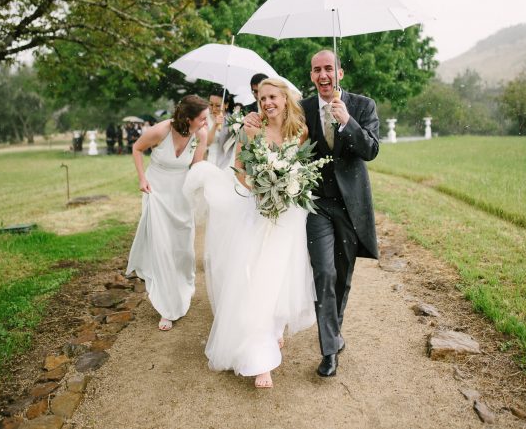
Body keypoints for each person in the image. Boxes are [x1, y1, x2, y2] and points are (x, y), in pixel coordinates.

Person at [244, 50, 380, 377]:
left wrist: (347, 121)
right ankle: (329, 350)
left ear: (340, 73)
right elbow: (270, 115)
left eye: (328, 69)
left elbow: (371, 150)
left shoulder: (363, 106)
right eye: (317, 70)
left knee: (343, 275)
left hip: (351, 206)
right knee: (324, 272)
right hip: (315, 204)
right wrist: (250, 119)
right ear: (310, 76)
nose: (323, 75)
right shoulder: (302, 108)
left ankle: (334, 331)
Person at [183, 78, 316, 389]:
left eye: (273, 97)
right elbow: (239, 170)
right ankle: (260, 360)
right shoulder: (250, 127)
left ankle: (273, 330)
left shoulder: (300, 132)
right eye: (262, 97)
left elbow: (303, 171)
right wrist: (260, 187)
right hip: (257, 212)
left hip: (289, 217)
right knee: (255, 280)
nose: (267, 102)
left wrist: (286, 187)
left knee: (279, 277)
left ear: (285, 100)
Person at [125, 95, 209, 331]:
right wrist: (142, 178)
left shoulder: (200, 135)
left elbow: (196, 167)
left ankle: (182, 288)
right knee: (161, 247)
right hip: (157, 192)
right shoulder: (161, 130)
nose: (205, 123)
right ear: (189, 118)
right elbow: (137, 148)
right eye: (202, 118)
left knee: (182, 249)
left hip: (181, 195)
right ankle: (166, 307)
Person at [205, 88, 236, 169]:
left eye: (218, 105)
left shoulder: (233, 120)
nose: (213, 108)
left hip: (226, 162)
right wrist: (215, 125)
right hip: (208, 160)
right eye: (211, 104)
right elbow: (207, 143)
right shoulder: (205, 117)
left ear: (226, 105)